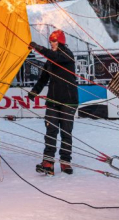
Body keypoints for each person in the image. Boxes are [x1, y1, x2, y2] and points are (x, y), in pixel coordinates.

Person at [28, 30, 78, 175]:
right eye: (50, 42)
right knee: (51, 131)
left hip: (69, 101)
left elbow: (56, 57)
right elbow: (43, 79)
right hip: (53, 100)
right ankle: (48, 162)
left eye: (54, 41)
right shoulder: (50, 60)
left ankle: (65, 162)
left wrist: (38, 47)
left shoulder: (67, 55)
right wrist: (34, 91)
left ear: (61, 42)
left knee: (66, 132)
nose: (52, 44)